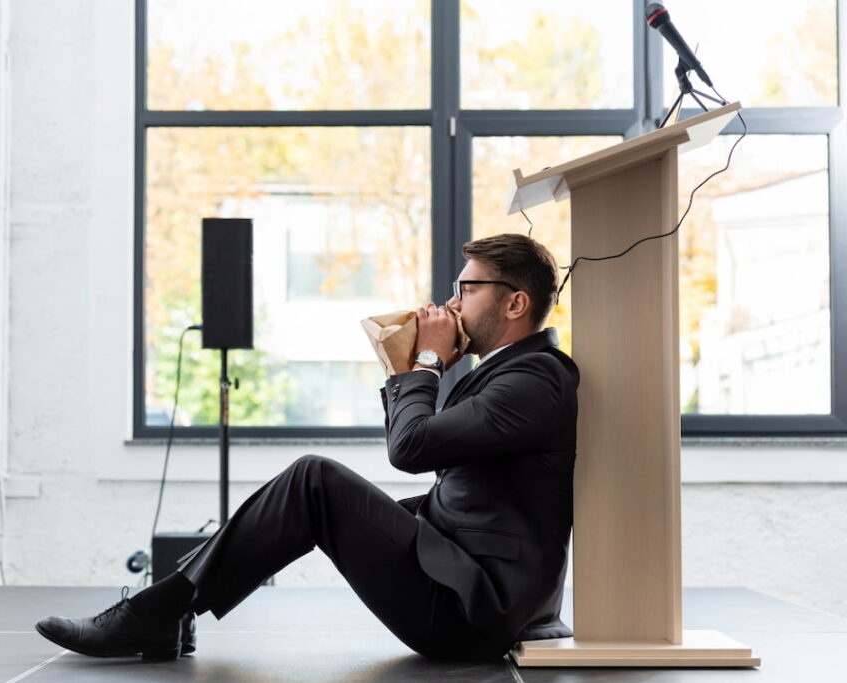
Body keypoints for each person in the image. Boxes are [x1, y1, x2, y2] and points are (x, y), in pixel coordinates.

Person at [35, 233, 579, 662]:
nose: (450, 303)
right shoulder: (511, 374)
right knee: (311, 489)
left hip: (473, 609)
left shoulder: (533, 380)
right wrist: (411, 366)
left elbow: (410, 448)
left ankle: (159, 611)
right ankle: (166, 611)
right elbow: (423, 450)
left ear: (515, 304)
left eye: (467, 289)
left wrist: (429, 364)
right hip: (465, 577)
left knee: (313, 480)